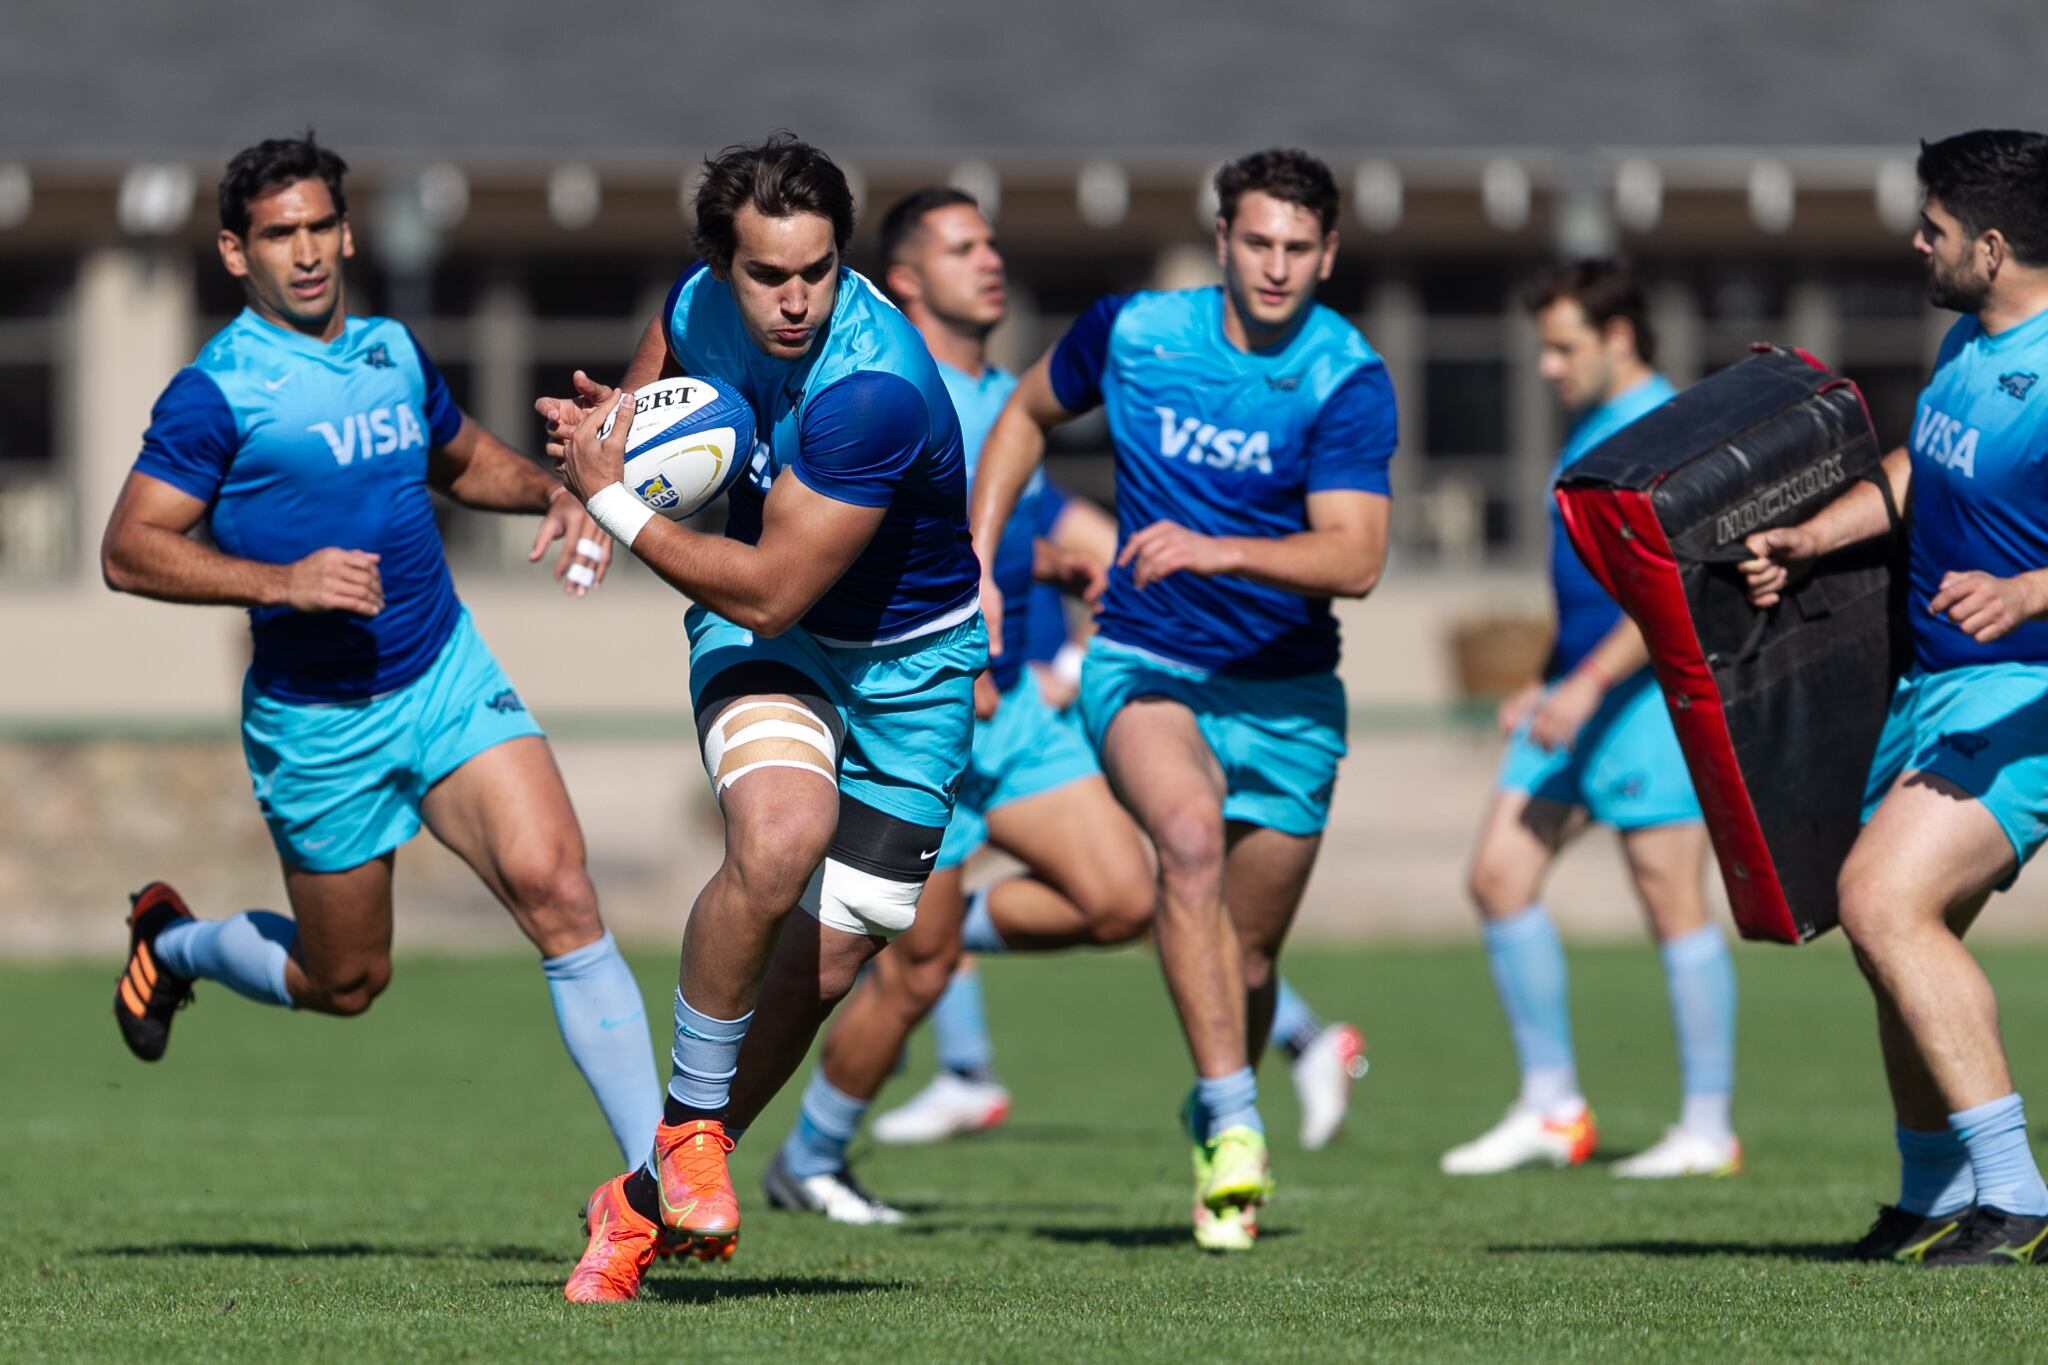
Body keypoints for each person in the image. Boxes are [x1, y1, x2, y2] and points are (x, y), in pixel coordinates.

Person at [102, 134, 660, 1178]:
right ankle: (171, 943)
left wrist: (552, 488)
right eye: (279, 235)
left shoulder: (394, 350)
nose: (306, 252)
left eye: (321, 227)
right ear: (236, 252)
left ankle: (658, 1185)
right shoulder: (214, 392)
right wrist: (281, 581)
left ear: (348, 232)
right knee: (346, 982)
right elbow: (129, 550)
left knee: (559, 887)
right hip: (317, 722)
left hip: (443, 673)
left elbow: (457, 457)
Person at [540, 136, 986, 1301]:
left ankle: (636, 1199)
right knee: (779, 837)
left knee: (834, 957)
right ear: (720, 265)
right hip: (766, 640)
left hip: (909, 669)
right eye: (765, 275)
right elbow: (664, 354)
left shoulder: (871, 387)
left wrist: (610, 505)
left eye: (818, 272)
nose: (793, 302)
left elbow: (779, 577)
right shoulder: (703, 301)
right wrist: (617, 444)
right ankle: (691, 1140)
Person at [971, 148, 1396, 1250]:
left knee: (1246, 962)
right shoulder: (1132, 333)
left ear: (1328, 255)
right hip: (1143, 665)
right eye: (1255, 242)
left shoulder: (1343, 376)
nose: (1275, 266)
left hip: (1288, 698)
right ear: (1220, 241)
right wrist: (979, 559)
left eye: (1298, 248)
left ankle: (1215, 1099)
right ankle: (1233, 1119)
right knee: (1186, 842)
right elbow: (1021, 416)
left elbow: (1354, 558)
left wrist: (1214, 550)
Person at [1741, 129, 2048, 1266]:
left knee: (1878, 902)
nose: (1915, 241)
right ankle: (1931, 1194)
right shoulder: (1971, 341)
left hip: (2023, 697)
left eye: (1932, 229)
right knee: (1894, 938)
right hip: (1936, 685)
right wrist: (1815, 537)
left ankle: (2015, 1197)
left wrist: (2026, 591)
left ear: (1993, 245)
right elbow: (1926, 464)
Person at [1439, 260, 1740, 1180]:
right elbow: (1584, 589)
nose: (1546, 366)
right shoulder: (1586, 431)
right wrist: (1544, 678)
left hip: (1648, 700)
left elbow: (1675, 588)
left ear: (1619, 338)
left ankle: (1706, 1126)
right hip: (1573, 698)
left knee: (1667, 896)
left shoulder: (1671, 432)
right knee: (1497, 875)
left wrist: (1583, 684)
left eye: (1563, 347)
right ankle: (1553, 1105)